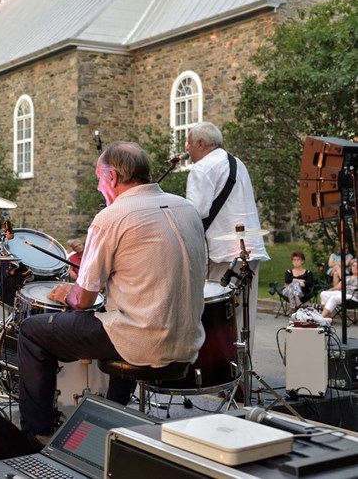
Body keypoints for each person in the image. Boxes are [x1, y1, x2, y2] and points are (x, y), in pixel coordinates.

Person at [18, 142, 206, 445]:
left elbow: (83, 301)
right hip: (188, 339)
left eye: (98, 178)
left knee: (32, 332)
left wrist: (68, 291)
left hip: (143, 340)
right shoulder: (187, 208)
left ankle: (37, 435)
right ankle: (111, 425)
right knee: (122, 321)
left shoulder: (112, 217)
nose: (97, 185)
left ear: (113, 178)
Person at [185, 122, 268, 349]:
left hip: (222, 254)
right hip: (249, 248)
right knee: (244, 317)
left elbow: (195, 213)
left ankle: (223, 375)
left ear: (201, 144)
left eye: (189, 143)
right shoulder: (237, 163)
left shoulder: (202, 169)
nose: (187, 148)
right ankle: (244, 375)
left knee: (218, 318)